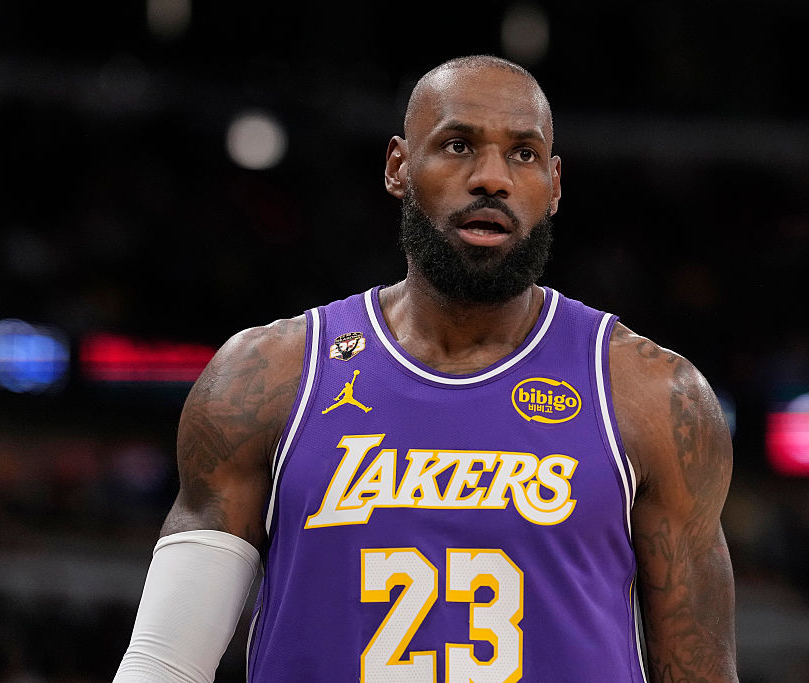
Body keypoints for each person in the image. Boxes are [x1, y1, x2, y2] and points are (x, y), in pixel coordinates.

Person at [113, 55, 738, 683]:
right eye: (458, 144)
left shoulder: (655, 396)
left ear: (553, 186)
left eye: (522, 154)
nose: (491, 178)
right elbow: (165, 667)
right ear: (398, 167)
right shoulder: (266, 378)